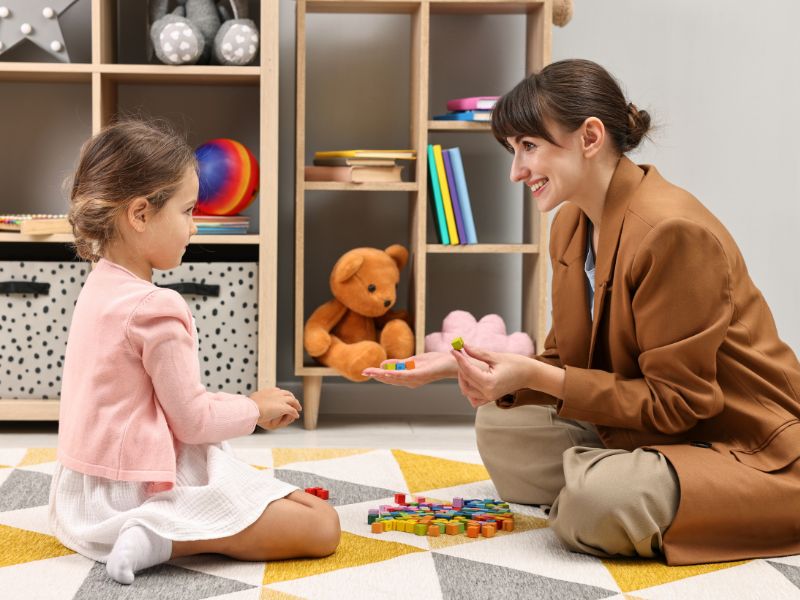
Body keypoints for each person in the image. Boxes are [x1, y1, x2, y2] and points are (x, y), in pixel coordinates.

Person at [364, 59, 800, 566]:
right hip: (657, 429)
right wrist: (466, 364)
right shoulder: (571, 225)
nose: (516, 171)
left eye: (529, 147)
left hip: (743, 445)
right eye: (513, 150)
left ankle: (624, 488)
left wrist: (533, 376)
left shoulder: (673, 233)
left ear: (590, 136)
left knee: (594, 507)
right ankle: (622, 479)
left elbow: (680, 406)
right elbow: (566, 358)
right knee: (501, 426)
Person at [49, 120, 340, 585]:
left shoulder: (99, 285)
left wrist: (241, 405)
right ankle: (163, 536)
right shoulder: (157, 307)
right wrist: (254, 409)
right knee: (322, 524)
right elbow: (193, 422)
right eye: (187, 211)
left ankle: (155, 530)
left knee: (294, 501)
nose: (195, 224)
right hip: (138, 491)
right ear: (140, 214)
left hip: (81, 496)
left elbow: (170, 406)